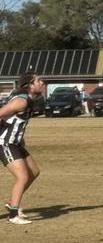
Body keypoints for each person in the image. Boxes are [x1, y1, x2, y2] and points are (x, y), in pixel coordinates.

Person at [0, 71, 45, 224]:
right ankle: (13, 215)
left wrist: (20, 138)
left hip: (16, 143)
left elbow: (14, 121)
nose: (42, 82)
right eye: (38, 80)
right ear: (29, 85)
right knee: (23, 177)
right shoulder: (21, 101)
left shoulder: (29, 99)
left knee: (34, 172)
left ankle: (11, 202)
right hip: (5, 143)